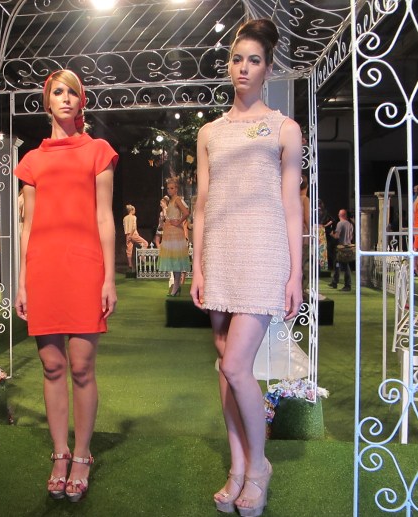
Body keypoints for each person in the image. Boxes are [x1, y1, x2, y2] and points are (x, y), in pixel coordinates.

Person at [191, 18, 303, 516]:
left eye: (254, 60)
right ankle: (237, 466)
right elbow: (202, 202)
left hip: (262, 253)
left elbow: (292, 205)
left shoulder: (284, 128)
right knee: (224, 364)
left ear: (268, 68)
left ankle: (259, 467)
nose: (243, 67)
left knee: (236, 365)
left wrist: (295, 273)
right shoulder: (209, 132)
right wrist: (197, 266)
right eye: (237, 59)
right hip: (220, 254)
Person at [14, 69, 117, 503]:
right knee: (52, 366)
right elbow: (27, 226)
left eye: (73, 92)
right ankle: (60, 453)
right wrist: (22, 281)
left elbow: (105, 218)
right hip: (43, 269)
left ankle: (82, 454)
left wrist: (109, 276)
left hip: (85, 268)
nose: (66, 98)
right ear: (47, 101)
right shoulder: (32, 161)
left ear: (82, 101)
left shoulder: (98, 151)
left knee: (81, 366)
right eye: (58, 92)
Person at [158, 177, 190, 296]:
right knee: (172, 258)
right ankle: (176, 285)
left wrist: (179, 222)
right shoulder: (171, 201)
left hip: (175, 232)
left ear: (176, 189)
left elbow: (186, 212)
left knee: (176, 259)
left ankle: (176, 286)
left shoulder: (177, 199)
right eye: (168, 188)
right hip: (169, 232)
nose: (169, 190)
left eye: (172, 188)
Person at [329, 208, 354, 292]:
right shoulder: (350, 224)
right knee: (337, 264)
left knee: (344, 266)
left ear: (340, 215)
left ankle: (347, 285)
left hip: (341, 248)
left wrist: (332, 234)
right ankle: (334, 282)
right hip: (348, 247)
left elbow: (337, 236)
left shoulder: (340, 224)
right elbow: (351, 237)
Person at [123, 204, 148, 271]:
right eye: (134, 210)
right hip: (133, 234)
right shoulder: (134, 217)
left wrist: (128, 236)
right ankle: (142, 257)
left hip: (127, 235)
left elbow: (125, 227)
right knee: (145, 243)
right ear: (131, 210)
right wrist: (131, 235)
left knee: (129, 250)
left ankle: (130, 265)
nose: (135, 211)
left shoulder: (125, 218)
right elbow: (134, 227)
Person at [300, 174, 311, 293]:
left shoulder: (290, 198)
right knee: (304, 264)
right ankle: (302, 291)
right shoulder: (305, 199)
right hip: (303, 236)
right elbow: (307, 218)